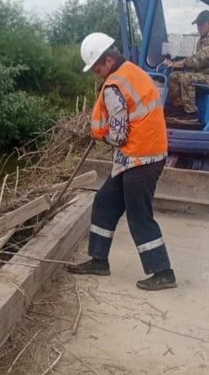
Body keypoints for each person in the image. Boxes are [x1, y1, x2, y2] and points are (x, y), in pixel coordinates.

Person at [67, 32, 177, 291]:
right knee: (105, 201)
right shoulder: (132, 72)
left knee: (139, 215)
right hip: (142, 155)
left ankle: (163, 273)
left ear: (107, 60)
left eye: (96, 67)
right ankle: (98, 261)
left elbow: (118, 134)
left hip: (140, 158)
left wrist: (103, 137)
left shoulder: (114, 86)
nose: (95, 72)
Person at [164, 9, 209, 119]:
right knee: (173, 76)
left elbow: (201, 58)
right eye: (198, 25)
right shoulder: (204, 39)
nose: (199, 28)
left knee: (187, 78)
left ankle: (191, 114)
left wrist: (182, 63)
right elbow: (197, 59)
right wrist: (176, 61)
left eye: (202, 25)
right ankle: (179, 109)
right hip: (205, 73)